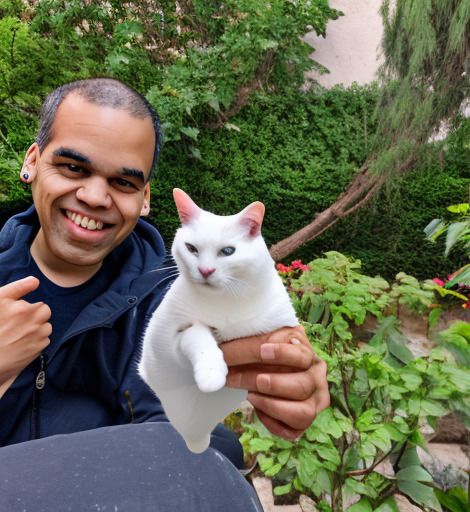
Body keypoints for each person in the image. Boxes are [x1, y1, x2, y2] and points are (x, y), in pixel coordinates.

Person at [0, 78, 329, 511]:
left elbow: (186, 444)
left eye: (123, 182)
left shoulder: (174, 299)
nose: (95, 196)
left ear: (145, 198)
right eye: (73, 168)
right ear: (32, 162)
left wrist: (292, 382)